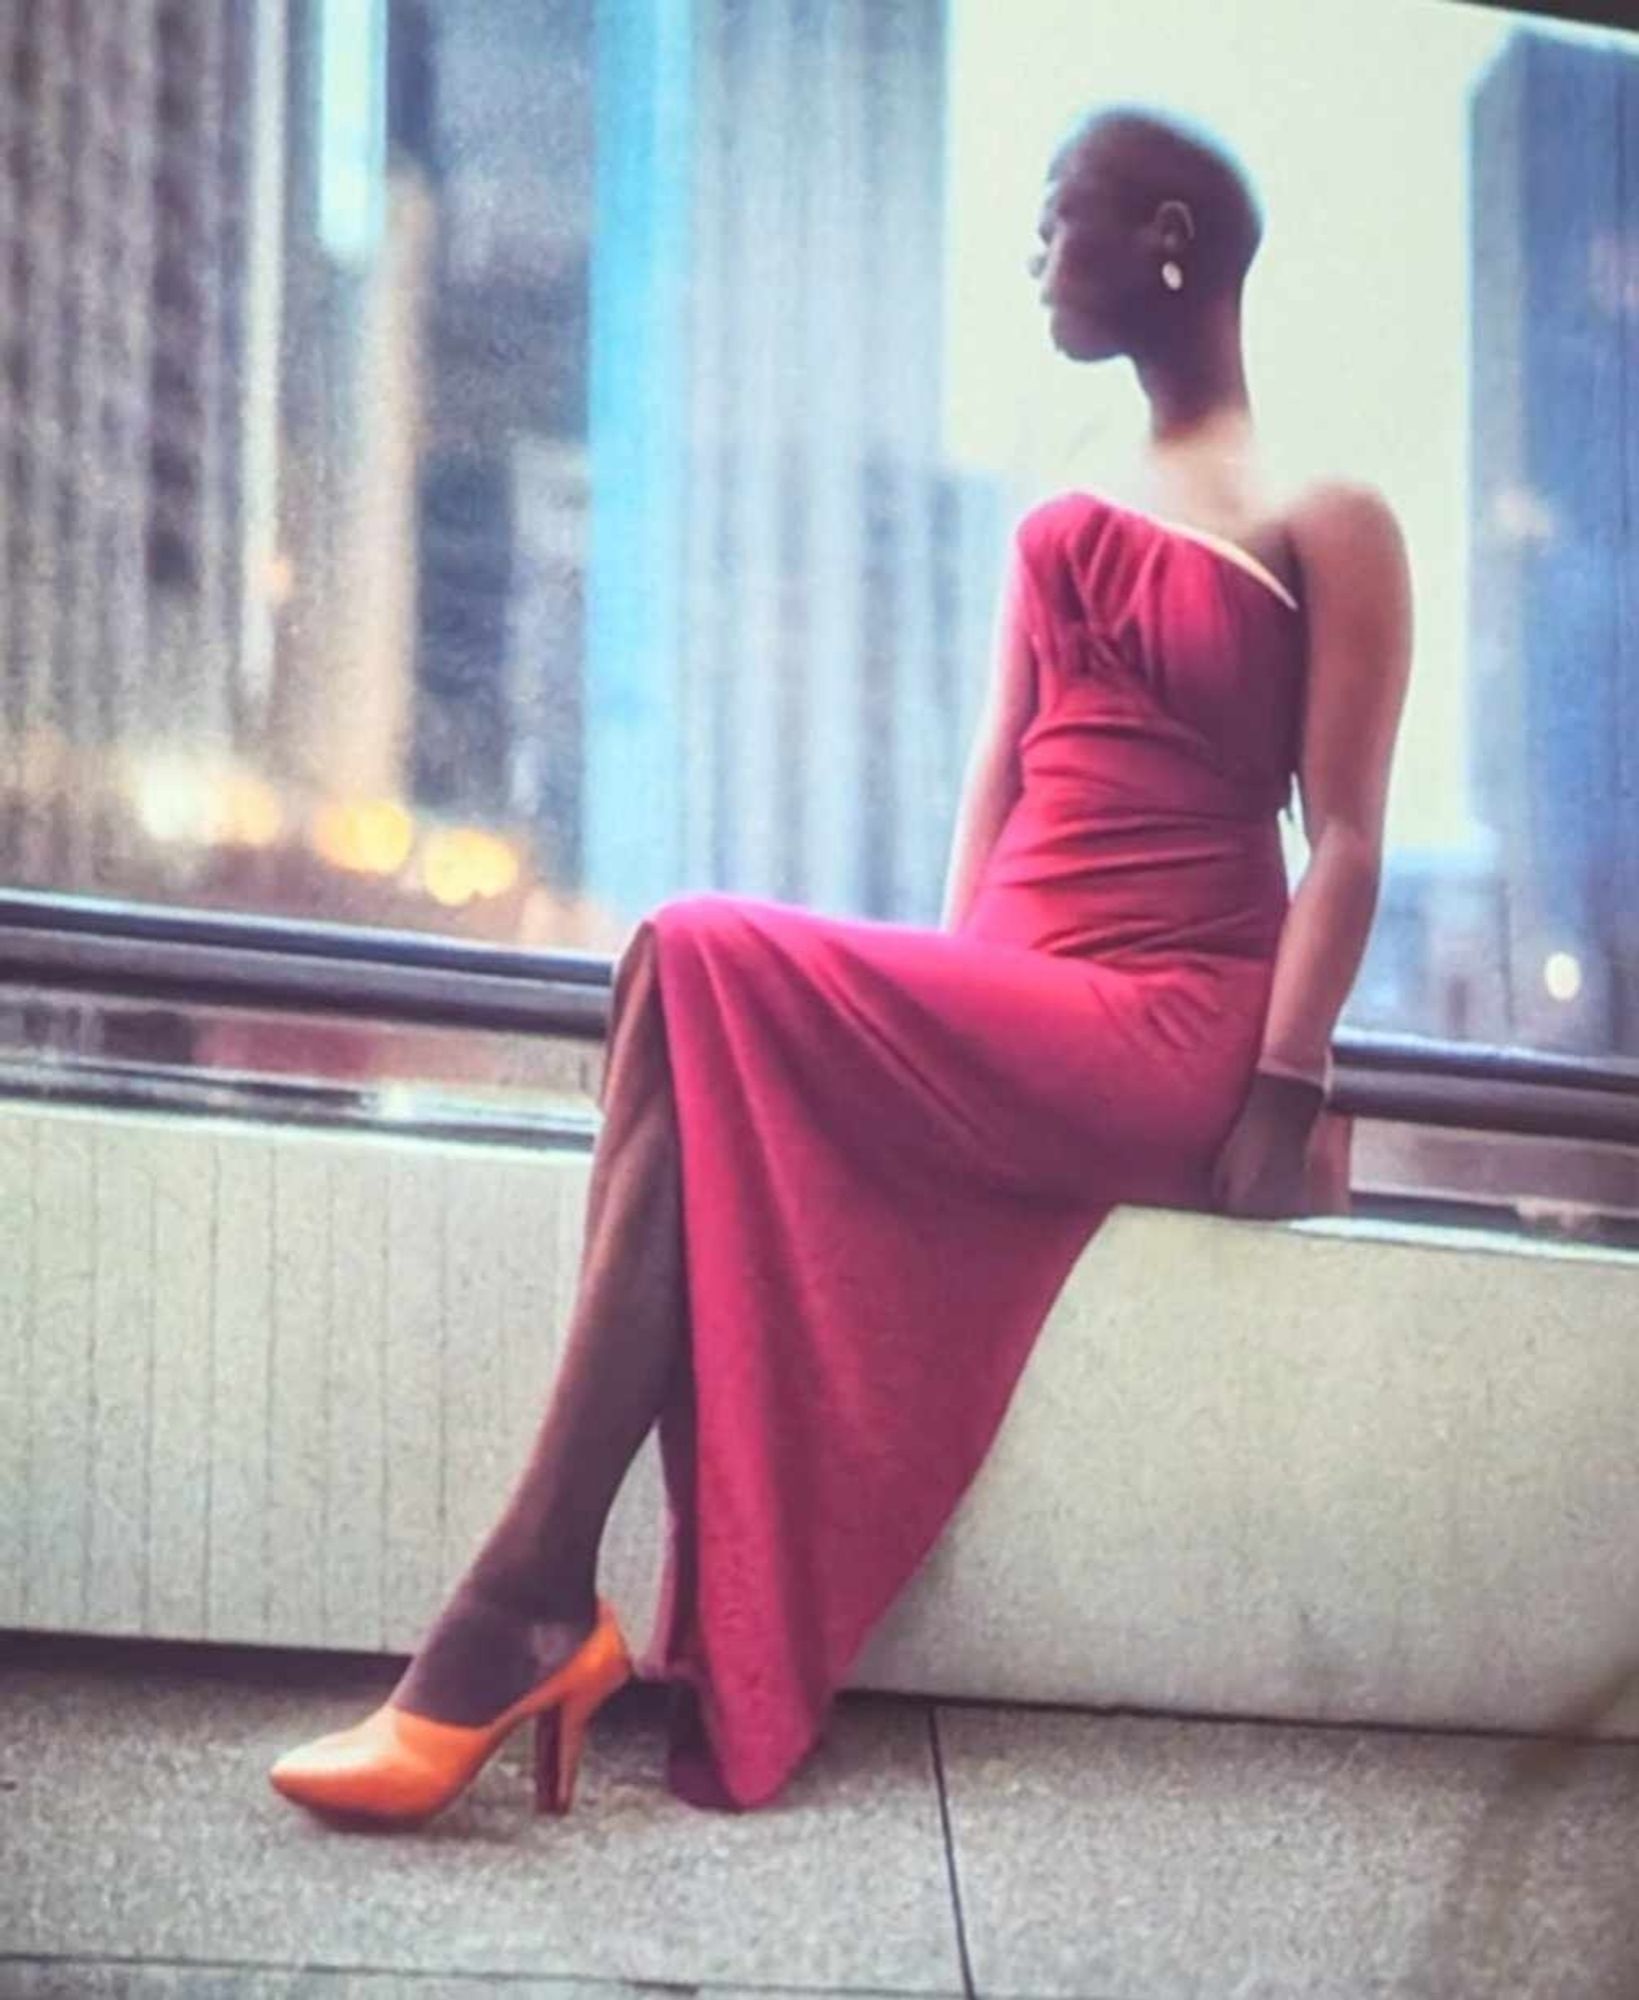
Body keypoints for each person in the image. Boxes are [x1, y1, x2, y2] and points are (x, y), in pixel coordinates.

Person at [268, 102, 1412, 1826]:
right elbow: (1000, 784)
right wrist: (946, 1036)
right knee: (683, 983)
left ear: (1167, 238)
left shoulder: (1332, 514)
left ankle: (518, 1610)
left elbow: (1349, 839)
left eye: (1060, 215)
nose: (1037, 253)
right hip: (1028, 1003)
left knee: (695, 948)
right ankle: (533, 1603)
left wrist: (1286, 1082)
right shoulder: (1058, 525)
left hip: (1179, 1022)